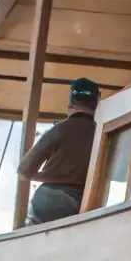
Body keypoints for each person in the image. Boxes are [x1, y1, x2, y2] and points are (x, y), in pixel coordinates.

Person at [17, 77, 101, 226]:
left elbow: (24, 171)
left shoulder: (60, 129)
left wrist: (48, 176)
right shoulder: (101, 134)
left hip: (48, 201)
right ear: (98, 99)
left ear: (70, 103)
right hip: (82, 204)